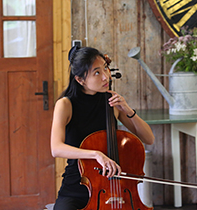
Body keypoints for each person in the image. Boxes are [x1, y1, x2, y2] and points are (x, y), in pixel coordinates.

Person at [50, 46, 155, 210]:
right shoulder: (65, 104)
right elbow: (56, 149)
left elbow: (149, 138)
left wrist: (127, 110)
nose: (106, 76)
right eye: (97, 73)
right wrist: (96, 155)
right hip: (77, 187)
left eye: (105, 68)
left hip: (117, 189)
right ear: (80, 80)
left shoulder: (112, 102)